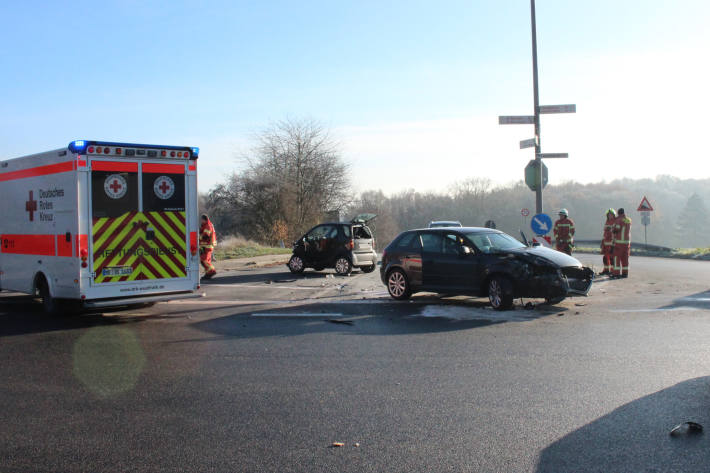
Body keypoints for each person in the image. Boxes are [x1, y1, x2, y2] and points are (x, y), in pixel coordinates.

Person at [611, 208, 632, 278]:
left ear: (618, 213)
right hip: (627, 243)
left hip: (619, 243)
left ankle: (616, 274)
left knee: (616, 258)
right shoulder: (628, 220)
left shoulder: (618, 220)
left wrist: (612, 229)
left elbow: (616, 229)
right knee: (625, 259)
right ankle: (625, 273)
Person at [199, 214, 217, 279]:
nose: (201, 221)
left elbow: (206, 236)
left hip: (207, 246)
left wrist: (198, 237)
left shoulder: (208, 226)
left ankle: (212, 271)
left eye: (202, 219)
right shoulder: (206, 225)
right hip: (206, 246)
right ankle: (207, 274)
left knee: (204, 260)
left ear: (205, 219)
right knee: (206, 261)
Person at [600, 208, 616, 275]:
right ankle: (606, 270)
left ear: (613, 215)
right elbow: (605, 233)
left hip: (612, 243)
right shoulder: (607, 222)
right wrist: (602, 242)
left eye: (611, 214)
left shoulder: (615, 221)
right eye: (608, 215)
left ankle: (612, 271)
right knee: (605, 258)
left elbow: (615, 233)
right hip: (606, 243)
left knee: (612, 258)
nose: (609, 216)